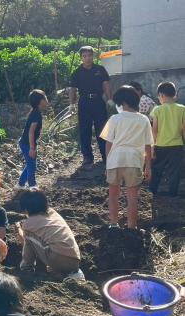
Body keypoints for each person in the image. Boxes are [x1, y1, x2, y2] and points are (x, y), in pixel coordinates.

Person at [100, 85, 153, 229]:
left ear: (122, 102)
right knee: (132, 197)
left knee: (113, 194)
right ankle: (132, 227)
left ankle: (113, 224)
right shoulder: (144, 119)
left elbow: (108, 143)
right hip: (134, 161)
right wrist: (148, 167)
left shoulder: (114, 119)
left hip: (115, 160)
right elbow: (148, 146)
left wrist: (107, 164)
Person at [15, 190, 82, 279]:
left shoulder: (28, 224)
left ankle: (26, 268)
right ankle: (60, 272)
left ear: (26, 209)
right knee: (46, 242)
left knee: (28, 237)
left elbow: (25, 240)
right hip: (75, 260)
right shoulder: (53, 213)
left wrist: (19, 228)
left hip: (57, 259)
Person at [69, 46, 113, 167]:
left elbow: (106, 85)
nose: (87, 58)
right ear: (81, 58)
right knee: (84, 130)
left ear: (93, 56)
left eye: (89, 55)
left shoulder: (100, 70)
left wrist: (110, 99)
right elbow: (72, 89)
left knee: (102, 129)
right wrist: (71, 104)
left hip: (98, 101)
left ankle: (106, 155)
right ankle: (87, 157)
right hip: (84, 103)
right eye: (84, 56)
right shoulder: (77, 72)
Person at [149, 81, 185, 197]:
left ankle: (152, 190)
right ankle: (172, 192)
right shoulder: (182, 109)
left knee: (157, 169)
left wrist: (153, 146)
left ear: (161, 95)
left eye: (158, 97)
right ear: (174, 95)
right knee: (175, 171)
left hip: (161, 145)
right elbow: (184, 130)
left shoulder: (157, 110)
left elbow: (154, 130)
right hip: (177, 146)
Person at [15, 89, 48, 190]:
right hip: (27, 144)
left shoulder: (36, 112)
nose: (46, 99)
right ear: (40, 102)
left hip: (26, 143)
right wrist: (32, 148)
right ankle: (32, 185)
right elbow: (31, 132)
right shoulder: (36, 115)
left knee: (31, 164)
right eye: (44, 97)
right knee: (31, 165)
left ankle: (20, 184)